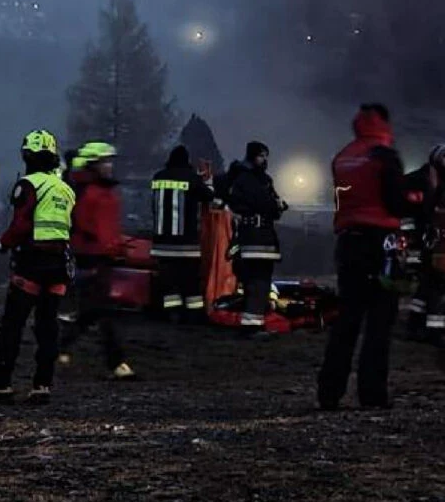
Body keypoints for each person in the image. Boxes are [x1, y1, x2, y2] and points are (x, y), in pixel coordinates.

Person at [318, 103, 408, 410]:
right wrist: (419, 197)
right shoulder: (384, 155)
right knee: (379, 323)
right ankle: (372, 394)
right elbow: (397, 203)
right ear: (384, 123)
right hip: (381, 244)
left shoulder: (343, 156)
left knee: (347, 319)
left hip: (348, 243)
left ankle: (329, 391)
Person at [0, 130, 75, 404]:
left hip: (31, 263)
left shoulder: (28, 185)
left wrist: (3, 243)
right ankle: (43, 384)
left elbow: (21, 223)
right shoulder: (65, 189)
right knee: (47, 327)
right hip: (58, 264)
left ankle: (1, 384)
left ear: (27, 155)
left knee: (13, 324)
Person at [58, 141, 135, 379]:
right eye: (104, 162)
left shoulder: (105, 193)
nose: (109, 167)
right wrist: (112, 247)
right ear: (92, 165)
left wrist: (119, 245)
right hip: (92, 259)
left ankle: (60, 348)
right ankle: (118, 363)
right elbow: (88, 228)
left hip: (103, 258)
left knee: (91, 313)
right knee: (103, 312)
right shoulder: (89, 194)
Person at [225, 141, 287, 332]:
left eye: (266, 156)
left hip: (254, 236)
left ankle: (252, 320)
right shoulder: (250, 179)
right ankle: (252, 324)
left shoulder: (248, 179)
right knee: (259, 280)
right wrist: (276, 205)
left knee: (254, 280)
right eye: (261, 155)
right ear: (252, 156)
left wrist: (276, 205)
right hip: (258, 237)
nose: (265, 160)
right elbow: (267, 203)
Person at [403, 144, 445, 341]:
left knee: (431, 284)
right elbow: (407, 215)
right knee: (436, 285)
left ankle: (416, 324)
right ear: (436, 158)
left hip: (444, 242)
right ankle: (433, 330)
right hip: (422, 241)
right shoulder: (417, 180)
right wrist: (412, 248)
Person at [150, 145, 214, 324]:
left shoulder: (158, 177)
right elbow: (209, 196)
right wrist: (206, 180)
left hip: (161, 243)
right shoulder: (191, 179)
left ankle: (171, 314)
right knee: (191, 281)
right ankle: (193, 316)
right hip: (186, 244)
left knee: (169, 282)